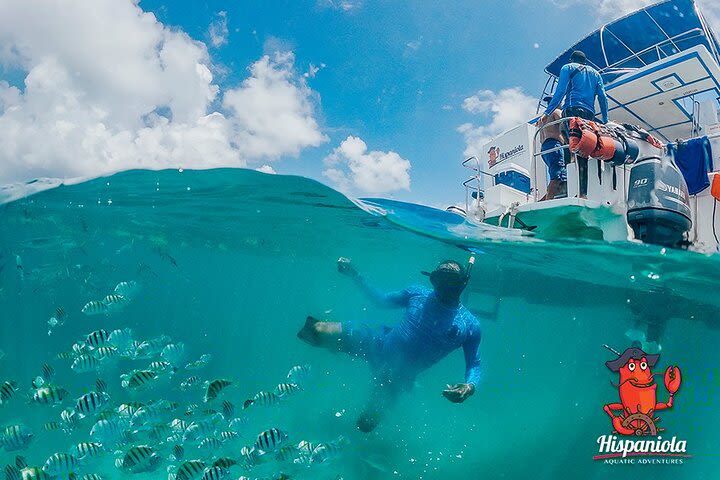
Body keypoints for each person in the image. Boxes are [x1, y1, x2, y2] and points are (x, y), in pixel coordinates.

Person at [297, 257, 482, 433]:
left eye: (450, 281)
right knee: (316, 329)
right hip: (377, 341)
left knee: (366, 424)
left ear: (462, 284)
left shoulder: (469, 325)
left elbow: (474, 363)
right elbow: (381, 300)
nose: (443, 287)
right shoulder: (417, 294)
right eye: (439, 280)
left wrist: (470, 386)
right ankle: (303, 380)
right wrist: (355, 274)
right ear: (432, 280)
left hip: (397, 377)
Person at [541, 50, 609, 198]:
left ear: (572, 60)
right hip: (589, 115)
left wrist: (547, 112)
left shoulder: (568, 67)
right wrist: (605, 120)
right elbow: (603, 98)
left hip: (571, 111)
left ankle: (571, 185)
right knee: (584, 150)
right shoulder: (596, 74)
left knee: (569, 145)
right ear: (585, 61)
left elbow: (560, 92)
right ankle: (583, 192)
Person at [536, 99, 566, 200]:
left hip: (545, 149)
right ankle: (546, 203)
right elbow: (566, 125)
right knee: (557, 178)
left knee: (560, 177)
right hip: (554, 146)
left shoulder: (542, 119)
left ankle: (541, 202)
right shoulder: (556, 111)